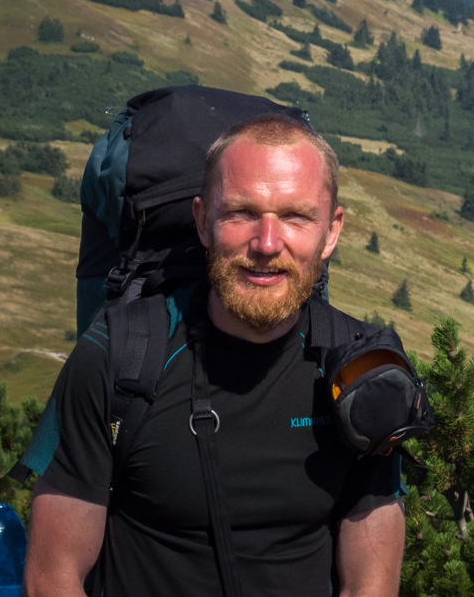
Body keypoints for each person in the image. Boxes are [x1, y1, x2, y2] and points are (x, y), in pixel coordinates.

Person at [22, 115, 406, 597]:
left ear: (331, 231)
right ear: (203, 220)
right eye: (242, 213)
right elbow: (52, 577)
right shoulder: (119, 358)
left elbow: (370, 584)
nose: (267, 244)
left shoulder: (362, 374)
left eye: (295, 217)